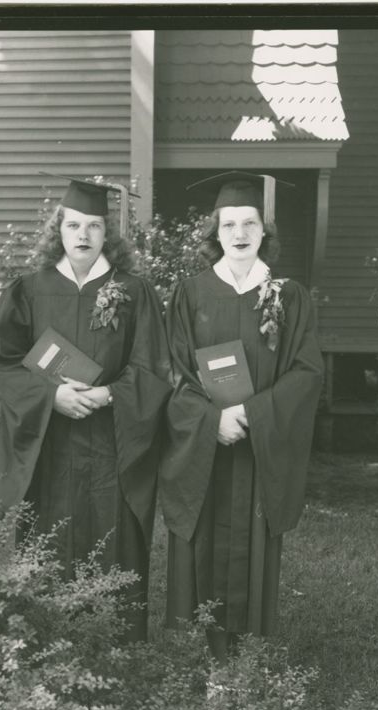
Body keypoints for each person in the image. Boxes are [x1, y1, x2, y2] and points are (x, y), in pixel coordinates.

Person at [0, 176, 172, 642]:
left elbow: (151, 368)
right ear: (59, 231)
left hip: (112, 443)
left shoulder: (134, 290)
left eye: (93, 225)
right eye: (74, 225)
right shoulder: (28, 291)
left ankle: (114, 652)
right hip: (51, 447)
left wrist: (111, 395)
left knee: (112, 540)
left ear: (106, 233)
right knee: (50, 540)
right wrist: (51, 396)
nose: (83, 235)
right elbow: (2, 364)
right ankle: (47, 653)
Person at [159, 171, 323, 662]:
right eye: (228, 224)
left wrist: (250, 414)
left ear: (263, 231)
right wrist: (213, 421)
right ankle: (216, 664)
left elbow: (306, 371)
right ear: (216, 233)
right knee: (208, 550)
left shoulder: (288, 296)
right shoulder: (190, 295)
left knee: (252, 550)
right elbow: (174, 370)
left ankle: (245, 666)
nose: (239, 233)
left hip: (258, 446)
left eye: (249, 222)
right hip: (208, 447)